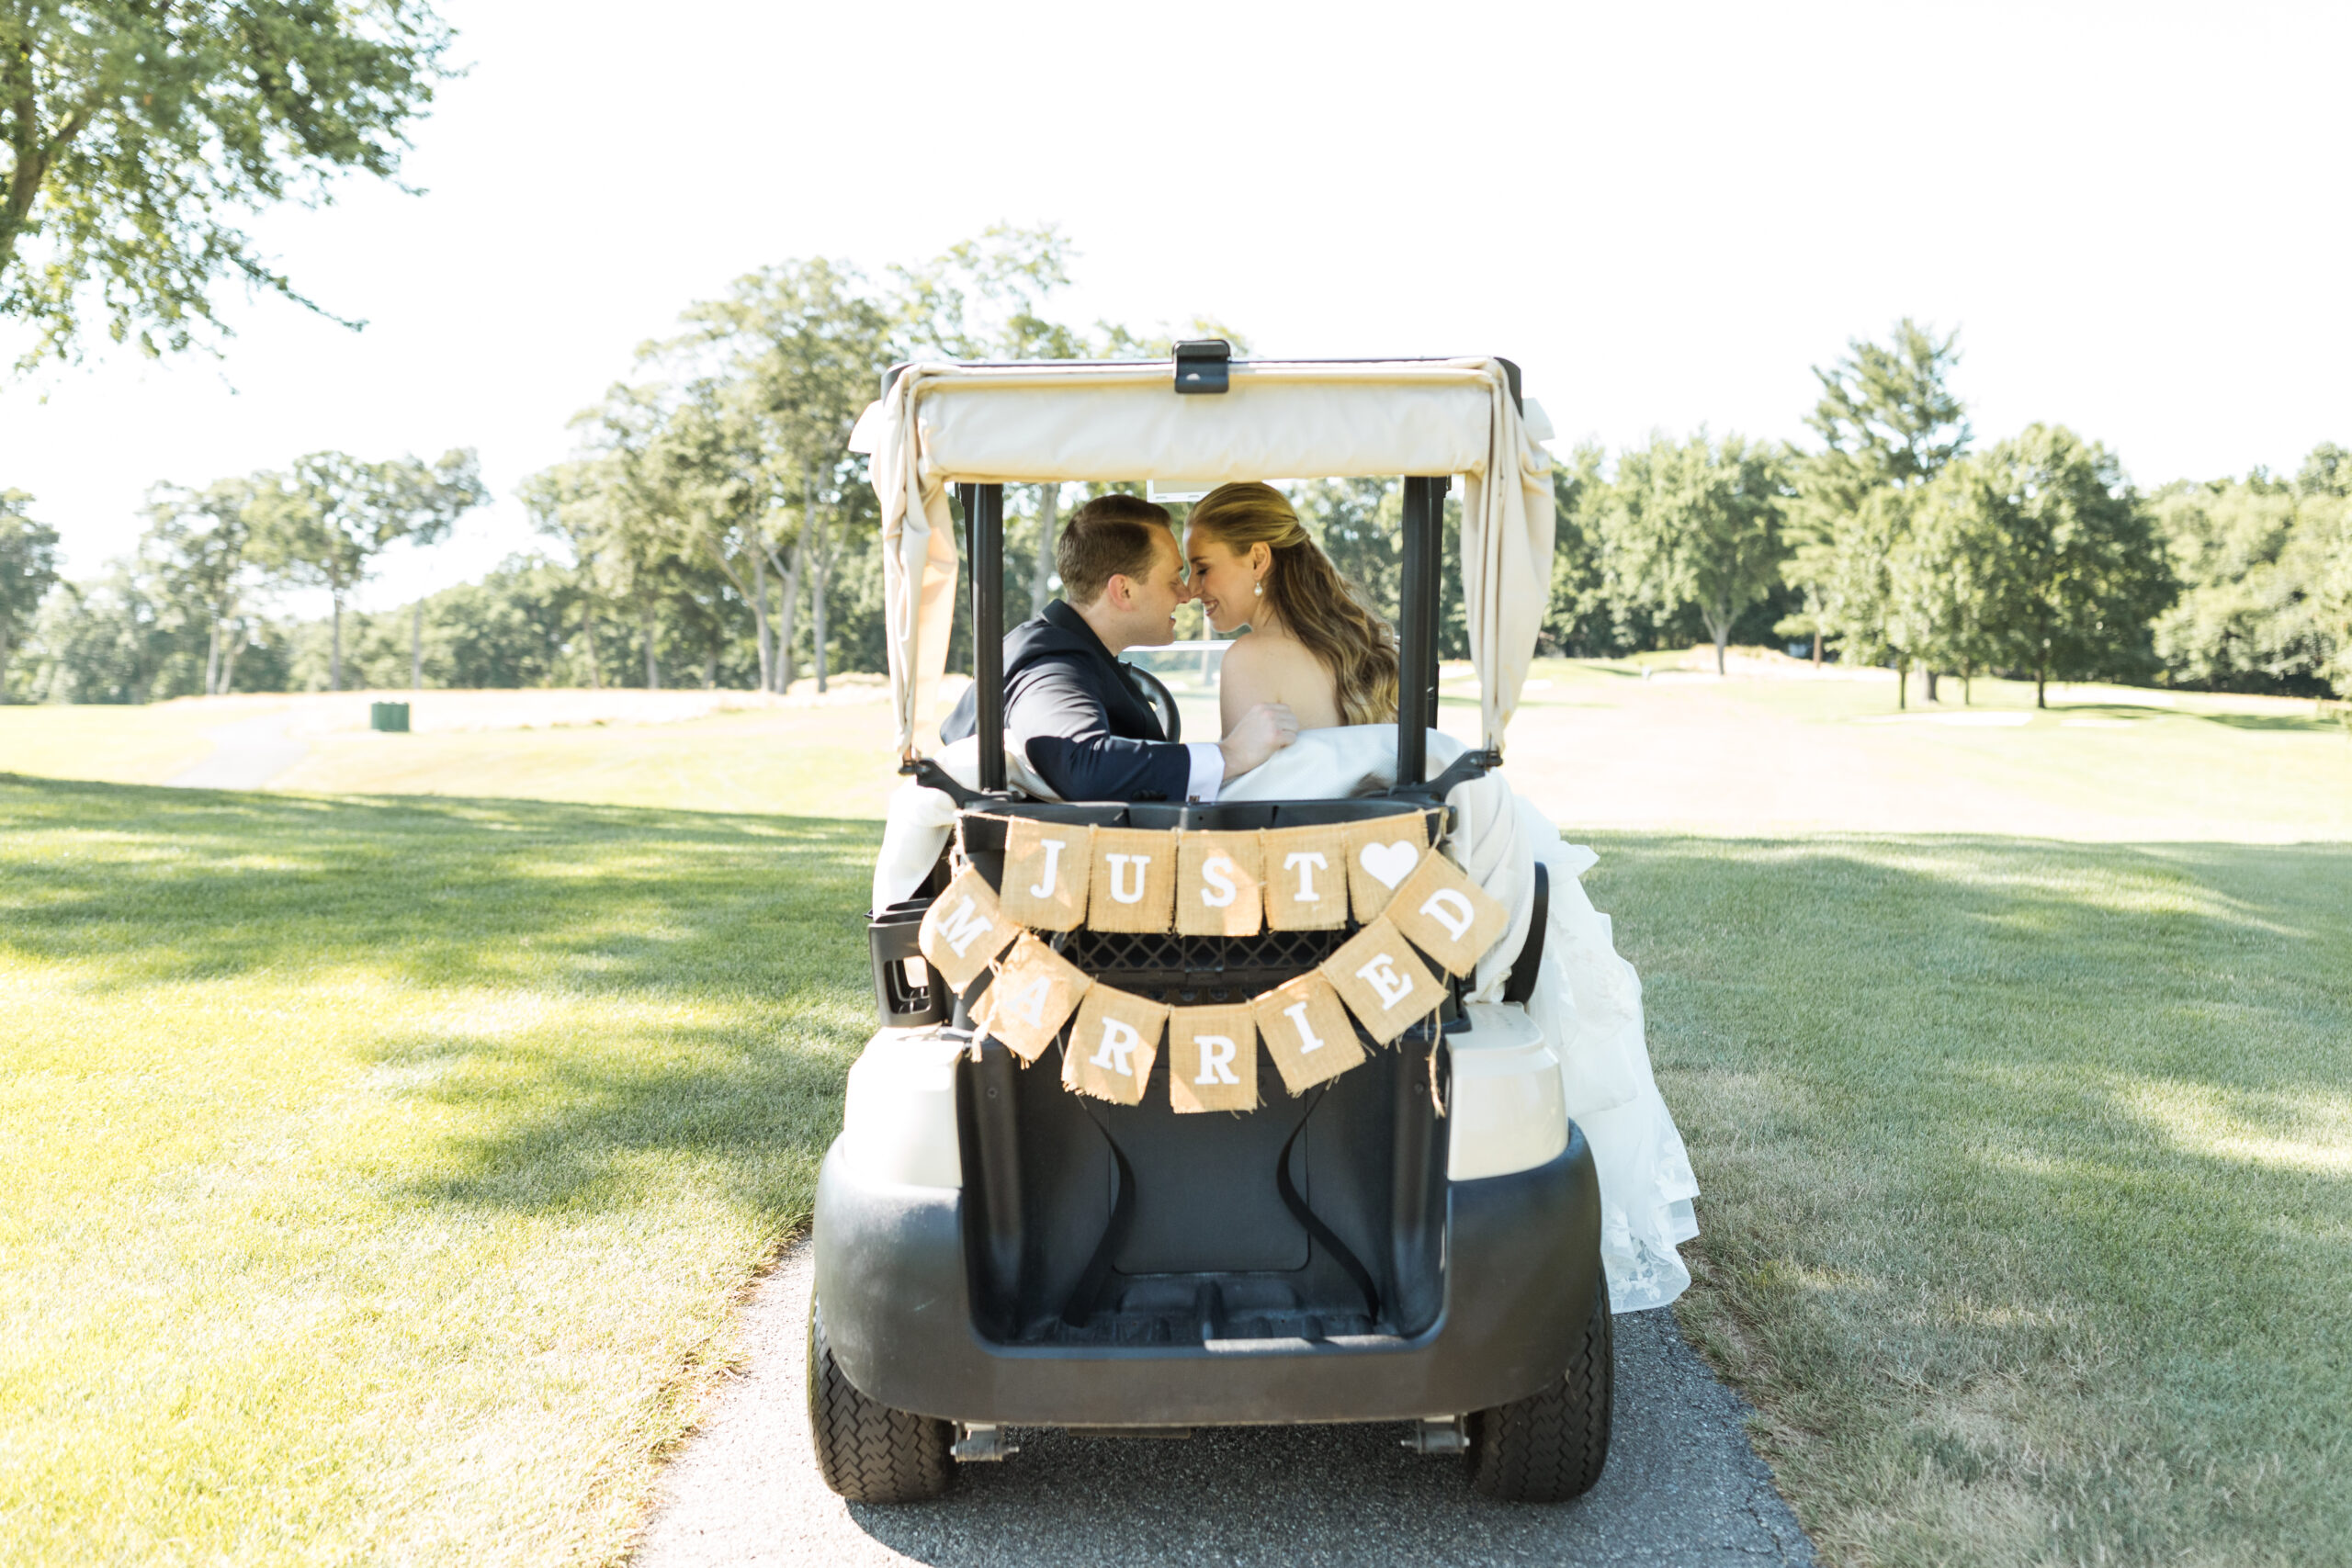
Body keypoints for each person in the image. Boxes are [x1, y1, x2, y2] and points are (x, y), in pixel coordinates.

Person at [942, 492, 1299, 803]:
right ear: (1123, 591)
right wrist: (1230, 754)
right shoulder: (1049, 663)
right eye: (1173, 577)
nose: (1186, 593)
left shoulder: (1069, 650)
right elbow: (1082, 763)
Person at [1183, 480, 1399, 732]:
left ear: (1258, 560)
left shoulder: (1249, 658)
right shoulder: (1345, 648)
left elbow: (1247, 773)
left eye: (1202, 569)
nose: (1190, 590)